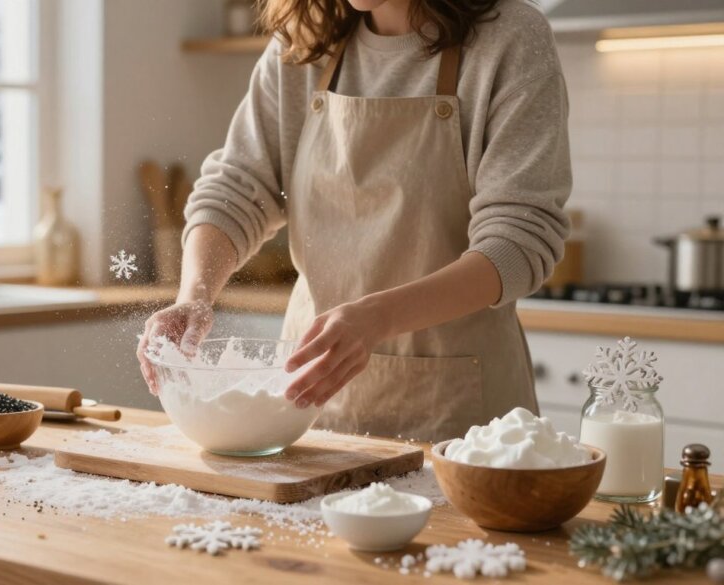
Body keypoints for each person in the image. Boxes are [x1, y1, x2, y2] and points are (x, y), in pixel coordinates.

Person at [137, 0, 571, 442]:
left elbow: (518, 240)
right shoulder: (305, 40)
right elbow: (235, 188)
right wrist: (194, 295)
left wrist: (377, 319)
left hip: (463, 431)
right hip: (307, 414)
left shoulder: (510, 39)